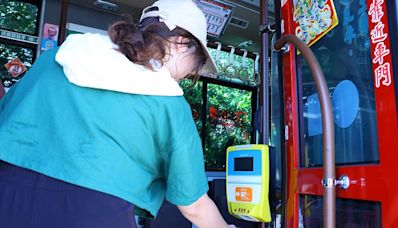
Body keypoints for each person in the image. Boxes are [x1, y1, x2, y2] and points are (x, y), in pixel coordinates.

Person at [0, 0, 236, 227]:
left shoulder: (57, 57)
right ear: (180, 43)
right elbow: (194, 205)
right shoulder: (168, 101)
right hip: (93, 215)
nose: (190, 74)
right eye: (197, 64)